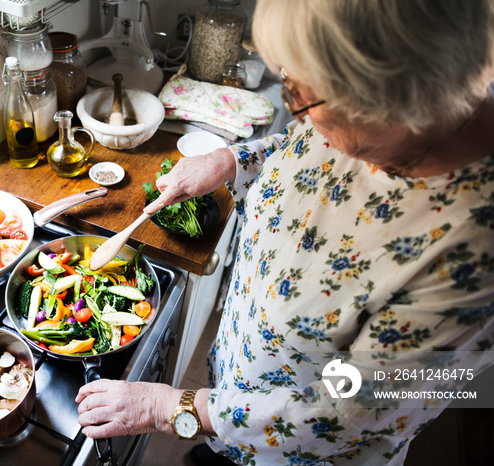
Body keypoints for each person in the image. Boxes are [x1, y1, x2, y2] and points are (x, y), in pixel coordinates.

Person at [76, 0, 494, 464]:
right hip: (237, 392)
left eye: (300, 95)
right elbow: (306, 147)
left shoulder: (474, 258)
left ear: (403, 104)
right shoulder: (362, 124)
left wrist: (167, 407)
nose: (294, 111)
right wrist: (232, 161)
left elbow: (346, 412)